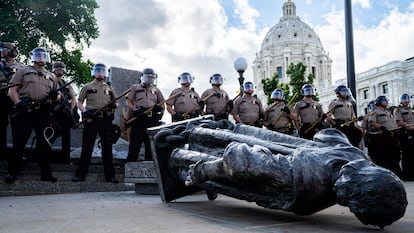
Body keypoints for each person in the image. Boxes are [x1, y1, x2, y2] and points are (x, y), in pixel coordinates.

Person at [151, 120, 407, 229]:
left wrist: (205, 171)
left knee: (220, 160)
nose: (343, 194)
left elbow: (241, 162)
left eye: (349, 200)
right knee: (211, 159)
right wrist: (203, 171)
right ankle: (179, 159)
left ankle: (181, 158)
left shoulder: (354, 161)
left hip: (253, 159)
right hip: (239, 152)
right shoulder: (315, 174)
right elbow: (239, 161)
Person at [6, 47, 59, 183]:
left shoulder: (52, 76)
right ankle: (13, 172)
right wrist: (18, 103)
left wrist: (55, 97)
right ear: (33, 57)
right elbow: (12, 89)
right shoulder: (23, 71)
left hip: (43, 112)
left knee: (44, 143)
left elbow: (57, 95)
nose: (41, 58)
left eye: (43, 56)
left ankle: (46, 174)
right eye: (38, 56)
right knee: (19, 142)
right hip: (26, 110)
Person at [72, 63, 119, 183]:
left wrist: (114, 105)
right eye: (98, 71)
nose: (100, 73)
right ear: (94, 72)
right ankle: (80, 175)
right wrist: (84, 112)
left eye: (102, 71)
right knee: (87, 147)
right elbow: (79, 102)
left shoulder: (109, 88)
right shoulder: (87, 86)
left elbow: (116, 103)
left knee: (107, 148)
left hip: (105, 120)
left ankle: (110, 176)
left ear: (105, 73)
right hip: (91, 119)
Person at [125, 68, 165, 162]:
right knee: (135, 144)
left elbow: (162, 104)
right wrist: (135, 110)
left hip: (152, 120)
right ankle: (131, 164)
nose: (149, 79)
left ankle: (150, 166)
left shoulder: (156, 90)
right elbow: (128, 102)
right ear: (142, 77)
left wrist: (159, 111)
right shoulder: (135, 88)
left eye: (151, 78)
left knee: (151, 145)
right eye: (147, 77)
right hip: (139, 118)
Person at [0, 42, 25, 161]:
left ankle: (18, 154)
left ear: (10, 51)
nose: (1, 51)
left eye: (3, 49)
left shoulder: (21, 67)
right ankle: (2, 153)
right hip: (0, 98)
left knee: (18, 126)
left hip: (14, 98)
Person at [367, 95, 402, 177]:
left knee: (393, 156)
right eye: (384, 101)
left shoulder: (388, 112)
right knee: (383, 157)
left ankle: (394, 173)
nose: (386, 103)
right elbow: (371, 122)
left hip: (391, 135)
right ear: (379, 102)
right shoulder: (375, 112)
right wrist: (381, 127)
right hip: (381, 136)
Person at [51, 61, 78, 163]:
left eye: (61, 69)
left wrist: (71, 109)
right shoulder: (50, 81)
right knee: (52, 133)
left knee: (66, 136)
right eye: (58, 69)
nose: (60, 71)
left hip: (65, 112)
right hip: (53, 112)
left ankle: (65, 158)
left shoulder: (66, 84)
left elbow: (74, 98)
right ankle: (44, 156)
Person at [393, 93, 414, 180]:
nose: (406, 100)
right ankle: (407, 174)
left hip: (413, 131)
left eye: (407, 99)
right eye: (404, 99)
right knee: (407, 154)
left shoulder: (411, 110)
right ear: (401, 100)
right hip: (405, 133)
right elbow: (399, 121)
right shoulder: (398, 110)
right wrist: (407, 126)